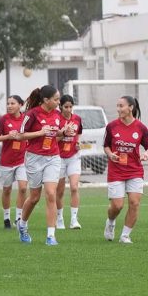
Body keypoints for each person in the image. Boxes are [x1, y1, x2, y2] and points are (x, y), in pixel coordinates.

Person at [16, 85, 65, 246]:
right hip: (34, 158)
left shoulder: (57, 115)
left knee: (51, 194)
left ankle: (51, 236)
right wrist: (40, 133)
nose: (59, 102)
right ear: (46, 100)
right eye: (56, 99)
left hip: (53, 157)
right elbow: (20, 135)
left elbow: (56, 132)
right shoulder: (31, 114)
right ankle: (22, 225)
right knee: (35, 197)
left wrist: (64, 132)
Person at [103, 96, 148, 244]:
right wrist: (110, 154)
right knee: (117, 205)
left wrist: (146, 154)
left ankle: (125, 235)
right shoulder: (111, 126)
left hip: (135, 170)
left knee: (134, 203)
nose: (118, 109)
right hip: (116, 171)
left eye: (121, 106)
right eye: (117, 106)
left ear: (130, 108)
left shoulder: (141, 128)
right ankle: (110, 222)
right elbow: (105, 146)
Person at [0, 95, 28, 229]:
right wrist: (8, 136)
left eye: (12, 103)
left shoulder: (26, 119)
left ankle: (18, 218)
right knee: (7, 190)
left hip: (23, 160)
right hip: (6, 161)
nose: (9, 106)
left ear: (20, 105)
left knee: (23, 188)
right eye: (8, 103)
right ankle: (6, 217)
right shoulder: (3, 120)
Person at [56, 95, 83, 230]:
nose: (68, 109)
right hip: (58, 158)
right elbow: (52, 139)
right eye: (66, 107)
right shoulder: (56, 119)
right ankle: (59, 218)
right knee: (59, 191)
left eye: (71, 107)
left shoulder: (77, 119)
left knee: (74, 187)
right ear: (60, 106)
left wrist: (77, 142)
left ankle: (74, 220)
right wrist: (63, 134)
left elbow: (78, 133)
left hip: (73, 157)